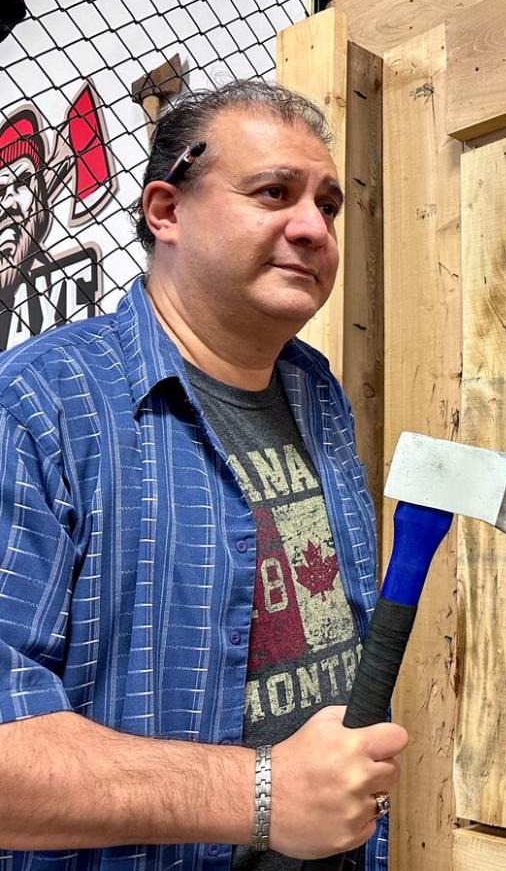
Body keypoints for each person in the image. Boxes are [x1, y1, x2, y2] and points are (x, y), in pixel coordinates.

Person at [0, 79, 406, 870]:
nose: (313, 228)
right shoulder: (40, 405)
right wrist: (258, 793)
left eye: (327, 204)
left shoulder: (316, 393)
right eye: (273, 193)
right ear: (166, 211)